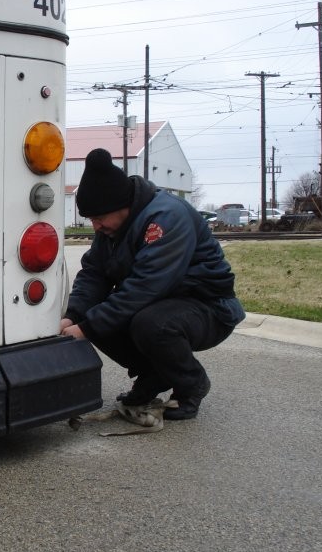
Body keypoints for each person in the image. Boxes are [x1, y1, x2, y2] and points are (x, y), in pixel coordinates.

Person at [61, 148, 245, 420]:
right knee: (98, 316)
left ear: (122, 205)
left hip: (209, 307)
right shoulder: (112, 226)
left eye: (98, 219)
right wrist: (73, 316)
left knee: (150, 324)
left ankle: (191, 384)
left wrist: (86, 328)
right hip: (161, 302)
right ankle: (154, 376)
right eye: (91, 220)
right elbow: (94, 273)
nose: (95, 226)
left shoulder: (166, 218)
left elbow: (145, 287)